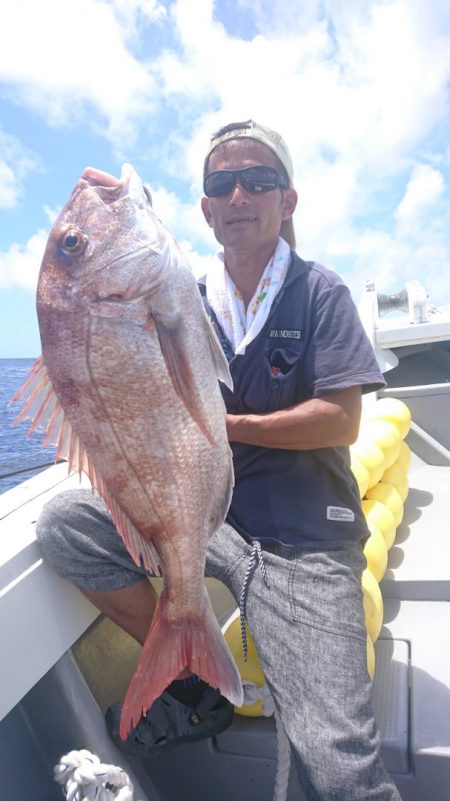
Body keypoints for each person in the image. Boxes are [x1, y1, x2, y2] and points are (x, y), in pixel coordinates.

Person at [36, 120, 402, 800]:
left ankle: (204, 653)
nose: (238, 193)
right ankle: (181, 653)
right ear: (203, 209)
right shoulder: (185, 293)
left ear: (285, 201)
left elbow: (342, 419)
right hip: (208, 518)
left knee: (335, 761)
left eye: (257, 179)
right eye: (220, 183)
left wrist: (220, 425)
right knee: (65, 522)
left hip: (303, 537)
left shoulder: (320, 292)